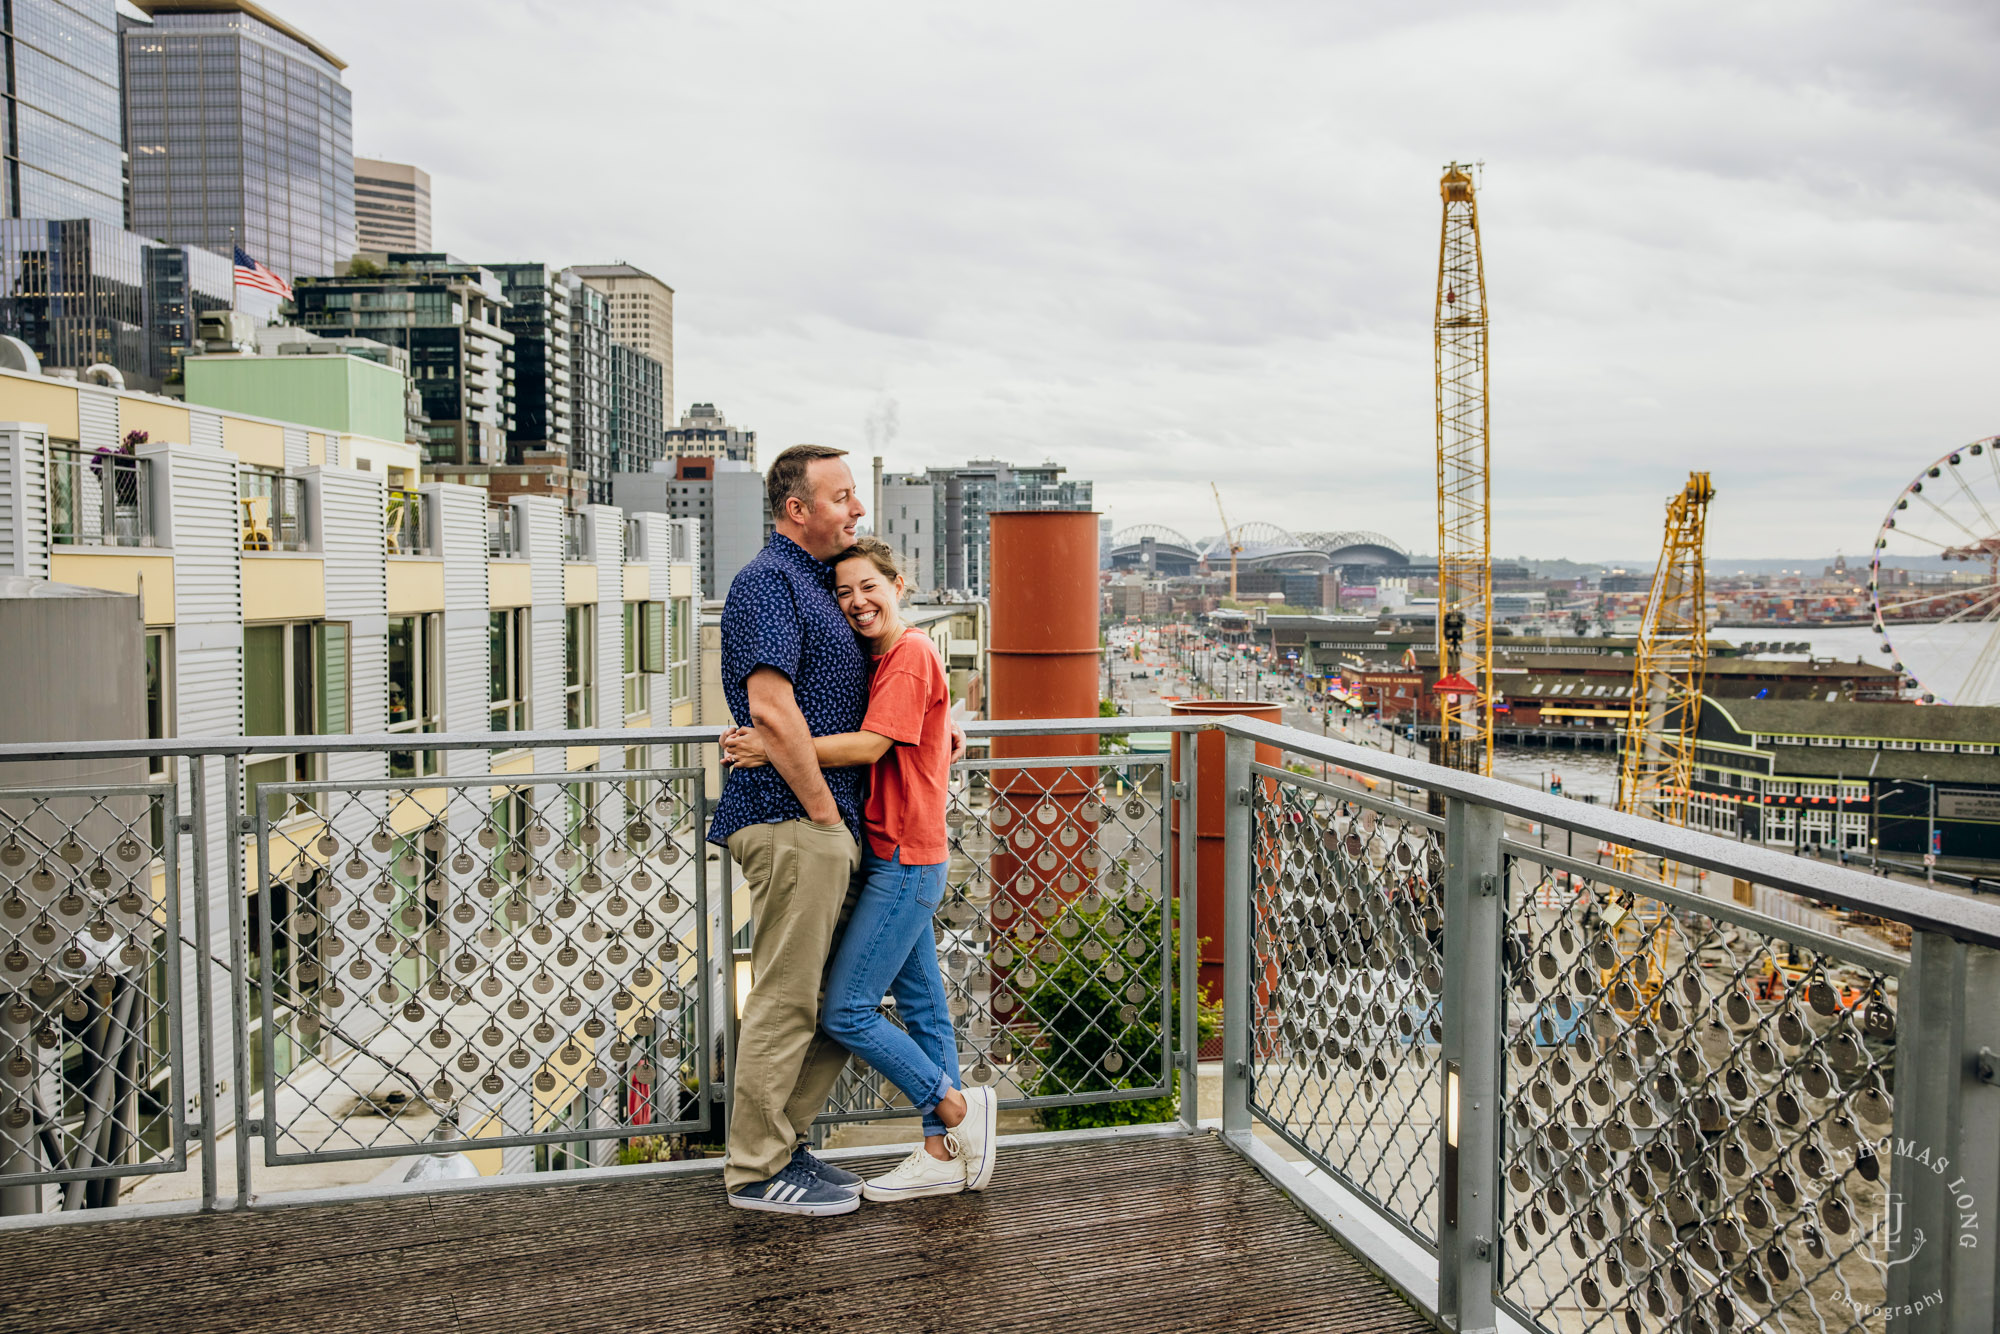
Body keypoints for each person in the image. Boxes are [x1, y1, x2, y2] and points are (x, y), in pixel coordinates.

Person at [725, 537, 997, 1201]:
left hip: (903, 857)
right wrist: (945, 729)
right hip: (902, 853)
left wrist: (775, 745)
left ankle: (959, 1113)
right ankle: (942, 1150)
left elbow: (874, 744)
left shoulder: (907, 656)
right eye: (843, 592)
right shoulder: (893, 660)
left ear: (897, 585)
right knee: (925, 1004)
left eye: (868, 587)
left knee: (845, 1011)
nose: (856, 601)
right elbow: (908, 731)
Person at [705, 443, 875, 1216]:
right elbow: (772, 711)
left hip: (823, 822)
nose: (857, 509)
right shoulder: (766, 582)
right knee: (787, 998)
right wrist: (822, 814)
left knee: (839, 1000)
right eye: (842, 497)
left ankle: (786, 1145)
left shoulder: (816, 583)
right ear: (796, 510)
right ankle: (755, 1171)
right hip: (791, 818)